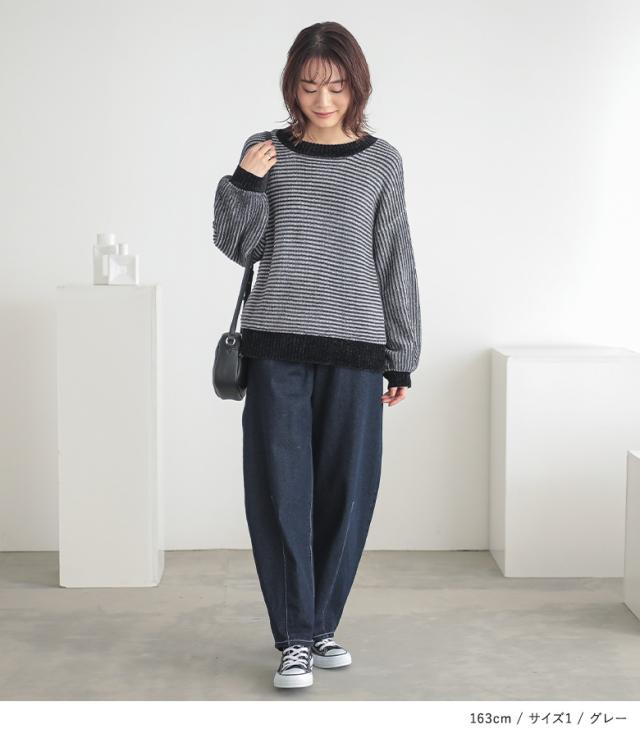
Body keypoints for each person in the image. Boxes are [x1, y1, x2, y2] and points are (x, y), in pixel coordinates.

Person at [212, 21, 421, 689]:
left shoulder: (382, 161)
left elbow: (394, 256)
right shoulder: (265, 150)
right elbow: (240, 247)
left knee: (346, 492)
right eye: (308, 86)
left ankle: (319, 624)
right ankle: (293, 639)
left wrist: (401, 353)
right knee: (280, 493)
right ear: (291, 86)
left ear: (357, 86)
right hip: (276, 343)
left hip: (357, 347)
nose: (322, 100)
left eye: (335, 86)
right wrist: (244, 182)